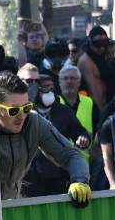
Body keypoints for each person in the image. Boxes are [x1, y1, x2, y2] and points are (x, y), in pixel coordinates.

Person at [0, 71, 91, 203]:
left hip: (13, 207)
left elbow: (70, 154)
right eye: (14, 110)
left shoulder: (34, 122)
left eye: (26, 108)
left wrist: (79, 181)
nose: (21, 116)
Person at [19, 65, 89, 197]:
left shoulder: (61, 111)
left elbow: (71, 150)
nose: (34, 86)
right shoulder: (17, 112)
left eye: (36, 82)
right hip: (27, 179)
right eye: (29, 81)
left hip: (56, 175)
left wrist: (79, 180)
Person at [58, 64, 100, 147]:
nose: (69, 81)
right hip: (59, 158)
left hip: (85, 158)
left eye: (73, 78)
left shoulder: (90, 103)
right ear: (59, 82)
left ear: (79, 82)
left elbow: (99, 130)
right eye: (65, 78)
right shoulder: (53, 103)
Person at [76, 26, 114, 108]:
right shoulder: (86, 61)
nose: (101, 47)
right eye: (97, 44)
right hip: (97, 108)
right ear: (90, 42)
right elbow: (95, 92)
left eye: (104, 43)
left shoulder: (107, 56)